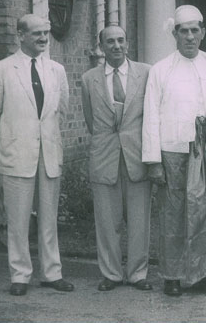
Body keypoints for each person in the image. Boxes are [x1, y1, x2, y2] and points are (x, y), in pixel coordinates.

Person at [142, 5, 206, 296]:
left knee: (205, 213)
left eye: (195, 30)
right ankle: (172, 275)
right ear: (175, 34)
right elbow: (151, 115)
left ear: (203, 32)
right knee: (174, 214)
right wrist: (153, 161)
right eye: (184, 31)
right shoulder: (161, 69)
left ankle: (202, 274)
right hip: (173, 152)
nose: (190, 36)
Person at [0, 14, 74, 296]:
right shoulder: (4, 69)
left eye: (46, 33)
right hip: (16, 154)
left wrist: (50, 142)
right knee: (17, 220)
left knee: (49, 218)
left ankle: (51, 273)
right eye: (37, 34)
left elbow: (61, 112)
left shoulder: (56, 70)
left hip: (49, 154)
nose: (44, 38)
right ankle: (20, 275)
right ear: (20, 35)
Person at [81, 25, 152, 292]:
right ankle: (110, 273)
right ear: (101, 46)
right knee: (107, 220)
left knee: (139, 220)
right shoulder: (90, 79)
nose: (116, 46)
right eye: (109, 41)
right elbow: (91, 120)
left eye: (120, 40)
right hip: (104, 156)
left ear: (128, 43)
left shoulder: (145, 73)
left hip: (137, 156)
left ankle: (137, 273)